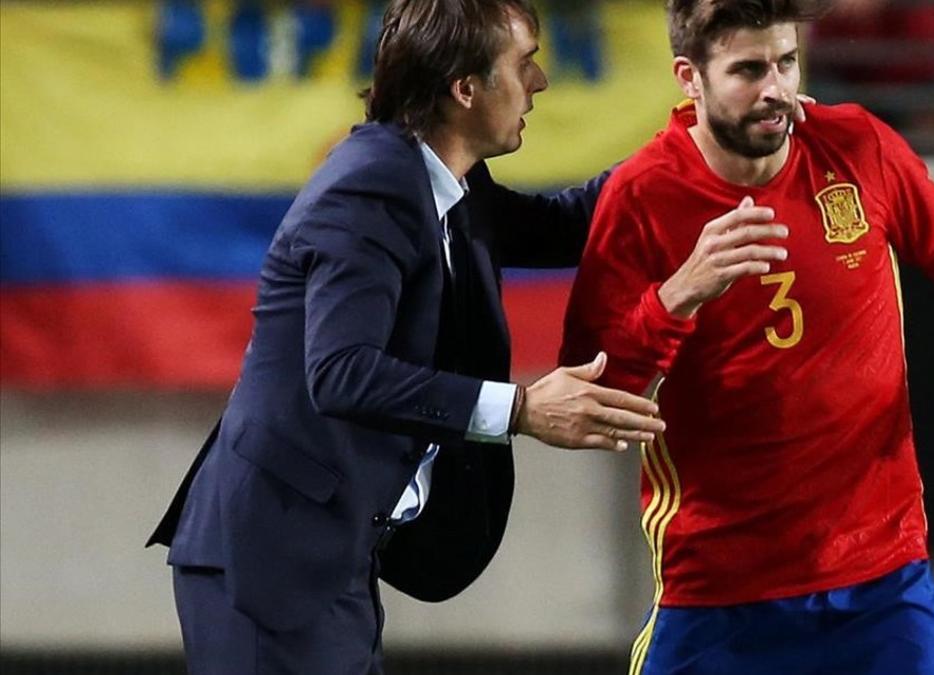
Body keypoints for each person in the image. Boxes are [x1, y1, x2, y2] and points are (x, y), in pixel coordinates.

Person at [145, 0, 669, 672]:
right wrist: (522, 409)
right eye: (524, 62)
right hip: (269, 561)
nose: (539, 82)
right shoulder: (371, 187)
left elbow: (566, 224)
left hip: (325, 555)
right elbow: (341, 373)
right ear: (465, 88)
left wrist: (694, 144)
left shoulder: (445, 180)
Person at [559, 0, 934, 673]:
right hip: (717, 595)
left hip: (883, 586)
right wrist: (677, 296)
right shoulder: (641, 196)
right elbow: (590, 392)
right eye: (748, 69)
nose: (774, 88)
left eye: (785, 62)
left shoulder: (857, 146)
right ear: (689, 78)